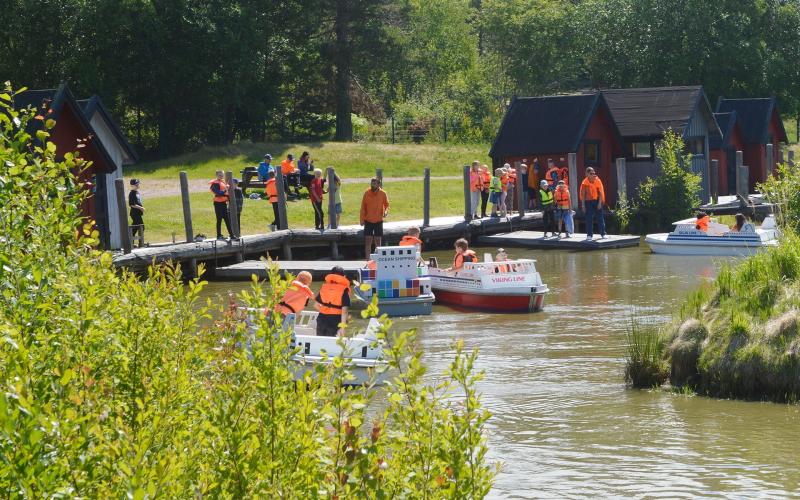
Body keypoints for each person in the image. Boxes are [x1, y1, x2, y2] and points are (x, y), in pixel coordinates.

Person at [315, 266, 350, 337]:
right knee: (332, 342)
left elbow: (316, 305)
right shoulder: (344, 290)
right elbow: (344, 311)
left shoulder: (324, 287)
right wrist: (343, 328)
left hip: (322, 318)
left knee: (320, 341)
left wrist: (326, 310)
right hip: (335, 319)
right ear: (343, 276)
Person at [360, 177, 389, 258]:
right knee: (368, 242)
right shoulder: (366, 193)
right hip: (368, 220)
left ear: (378, 184)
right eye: (371, 183)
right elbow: (363, 207)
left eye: (374, 183)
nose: (372, 185)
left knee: (378, 242)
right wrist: (361, 220)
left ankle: (378, 260)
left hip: (378, 220)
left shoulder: (383, 193)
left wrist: (386, 211)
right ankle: (367, 260)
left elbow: (387, 204)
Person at [579, 167, 606, 240]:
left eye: (594, 173)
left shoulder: (598, 181)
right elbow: (583, 195)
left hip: (597, 201)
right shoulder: (584, 183)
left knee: (600, 218)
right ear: (587, 174)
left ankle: (603, 234)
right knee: (589, 219)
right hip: (588, 202)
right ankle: (589, 235)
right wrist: (583, 206)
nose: (593, 175)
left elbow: (600, 193)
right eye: (591, 173)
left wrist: (600, 203)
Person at [209, 170, 234, 240]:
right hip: (218, 204)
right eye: (220, 175)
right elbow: (219, 193)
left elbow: (225, 194)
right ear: (216, 175)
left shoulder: (223, 182)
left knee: (227, 219)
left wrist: (229, 200)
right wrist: (225, 189)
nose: (221, 176)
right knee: (219, 219)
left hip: (223, 203)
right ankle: (219, 235)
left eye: (222, 175)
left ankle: (232, 235)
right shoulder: (215, 184)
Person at [128, 178, 145, 245]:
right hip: (134, 213)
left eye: (138, 184)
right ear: (132, 186)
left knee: (134, 228)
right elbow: (132, 204)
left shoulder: (137, 192)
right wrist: (141, 208)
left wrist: (140, 208)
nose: (138, 185)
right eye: (136, 184)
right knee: (142, 226)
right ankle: (141, 243)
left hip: (137, 213)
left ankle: (131, 242)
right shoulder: (132, 193)